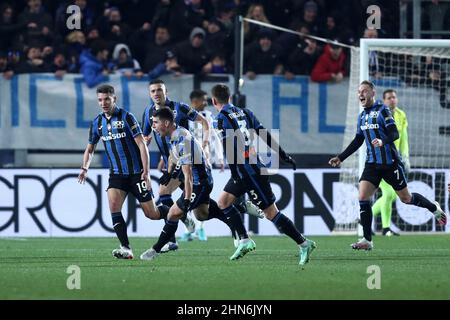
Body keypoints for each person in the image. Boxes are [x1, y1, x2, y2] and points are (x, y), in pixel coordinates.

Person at [329, 80, 447, 250]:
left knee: (407, 199)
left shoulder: (382, 110)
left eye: (364, 91)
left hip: (390, 163)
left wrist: (382, 140)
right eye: (359, 91)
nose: (361, 94)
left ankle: (433, 208)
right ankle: (367, 240)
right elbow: (358, 140)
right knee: (363, 197)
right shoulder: (361, 116)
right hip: (372, 164)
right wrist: (340, 157)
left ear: (372, 93)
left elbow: (394, 133)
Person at [211, 84, 317, 265]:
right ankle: (244, 240)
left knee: (271, 213)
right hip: (247, 170)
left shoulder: (221, 118)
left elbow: (230, 149)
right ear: (229, 97)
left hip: (248, 173)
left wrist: (235, 173)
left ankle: (304, 243)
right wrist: (283, 155)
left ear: (213, 101)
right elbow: (264, 134)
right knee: (223, 202)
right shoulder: (246, 112)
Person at [139, 107, 255, 261]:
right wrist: (169, 172)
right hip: (202, 180)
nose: (153, 126)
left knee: (173, 213)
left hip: (199, 183)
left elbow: (187, 176)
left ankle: (155, 250)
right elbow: (173, 155)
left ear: (166, 123)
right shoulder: (176, 133)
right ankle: (239, 211)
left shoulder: (183, 141)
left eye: (155, 122)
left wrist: (186, 200)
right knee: (202, 215)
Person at [77, 84, 169, 259]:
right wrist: (84, 168)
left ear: (114, 99)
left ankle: (175, 213)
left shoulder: (127, 118)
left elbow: (142, 144)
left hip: (136, 173)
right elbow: (90, 148)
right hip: (117, 175)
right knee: (113, 205)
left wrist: (146, 172)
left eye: (106, 99)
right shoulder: (97, 123)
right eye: (100, 100)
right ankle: (126, 248)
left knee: (152, 214)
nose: (103, 103)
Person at [141, 79, 210, 252]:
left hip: (186, 159)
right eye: (153, 91)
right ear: (150, 94)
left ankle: (175, 233)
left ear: (166, 92)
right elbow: (146, 136)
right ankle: (183, 221)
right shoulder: (148, 112)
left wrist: (204, 143)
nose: (156, 94)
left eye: (159, 90)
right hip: (171, 160)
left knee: (164, 192)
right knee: (203, 212)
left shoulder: (180, 107)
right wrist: (147, 142)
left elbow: (203, 122)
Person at [372, 89, 410, 236]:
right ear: (384, 100)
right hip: (380, 160)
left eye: (394, 97)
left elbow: (404, 139)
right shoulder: (379, 115)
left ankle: (364, 219)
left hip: (394, 160)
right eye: (389, 98)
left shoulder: (401, 115)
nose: (392, 100)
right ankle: (386, 228)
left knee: (393, 195)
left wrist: (405, 157)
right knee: (388, 193)